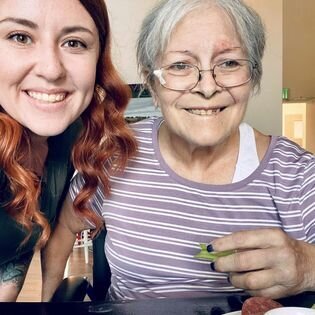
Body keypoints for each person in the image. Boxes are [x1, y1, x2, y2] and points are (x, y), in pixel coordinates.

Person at [42, 0, 315, 302]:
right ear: (152, 83)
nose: (208, 87)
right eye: (180, 65)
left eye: (229, 63)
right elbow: (65, 230)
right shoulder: (115, 152)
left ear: (253, 76)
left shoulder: (296, 175)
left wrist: (308, 266)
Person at [0, 0, 136, 301]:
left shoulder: (70, 134)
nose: (51, 70)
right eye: (19, 37)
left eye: (74, 42)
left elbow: (16, 249)